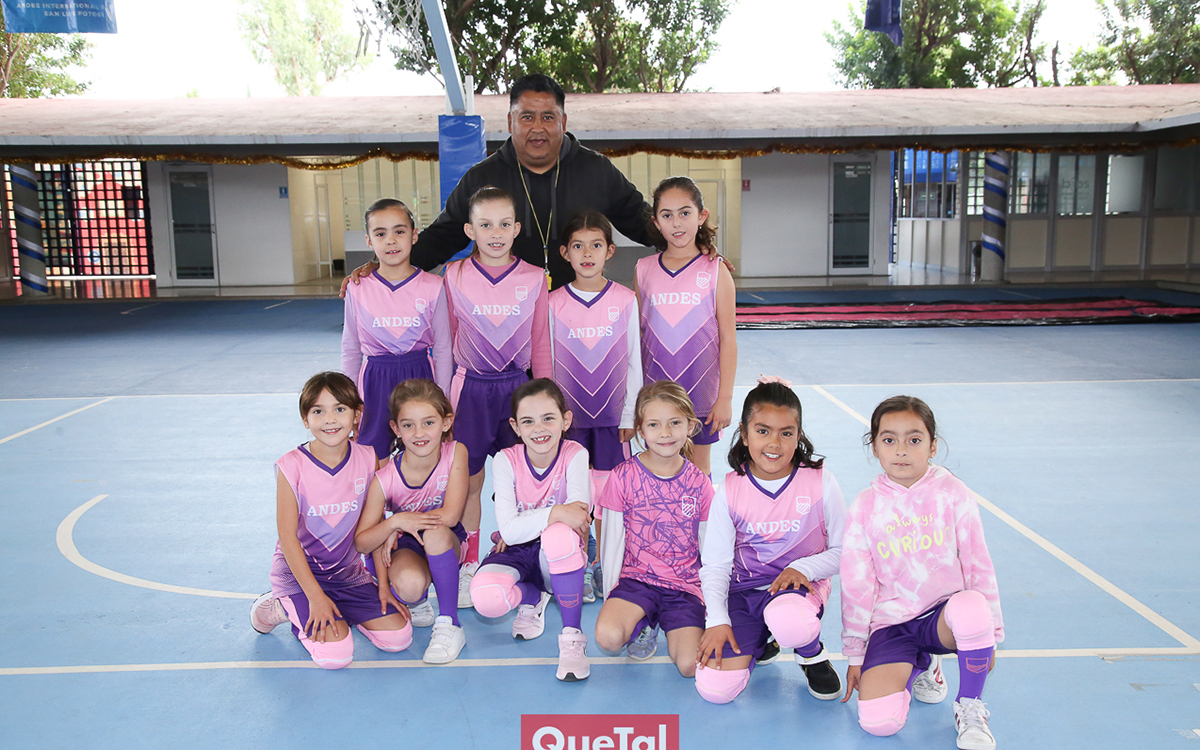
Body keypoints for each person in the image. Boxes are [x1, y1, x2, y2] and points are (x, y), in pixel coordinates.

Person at [342, 74, 655, 290]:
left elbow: (643, 221)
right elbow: (443, 236)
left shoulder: (597, 170)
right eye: (527, 117)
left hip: (578, 308)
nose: (538, 128)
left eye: (548, 117)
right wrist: (383, 267)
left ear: (563, 122)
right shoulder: (482, 177)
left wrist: (683, 243)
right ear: (510, 121)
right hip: (506, 312)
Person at [840, 396, 1004, 750]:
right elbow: (857, 586)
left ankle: (970, 706)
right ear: (874, 447)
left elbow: (978, 562)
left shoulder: (953, 493)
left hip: (943, 619)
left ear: (932, 446)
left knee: (972, 607)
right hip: (892, 625)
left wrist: (989, 633)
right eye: (889, 439)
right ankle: (922, 665)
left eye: (914, 439)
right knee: (879, 724)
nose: (901, 450)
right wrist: (855, 654)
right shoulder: (865, 507)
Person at [695, 377, 846, 704]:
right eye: (763, 431)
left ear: (798, 435)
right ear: (744, 433)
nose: (774, 443)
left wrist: (803, 568)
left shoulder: (821, 482)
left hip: (800, 590)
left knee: (788, 619)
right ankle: (763, 636)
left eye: (786, 433)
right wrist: (718, 620)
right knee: (714, 690)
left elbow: (846, 552)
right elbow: (716, 566)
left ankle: (811, 654)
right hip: (745, 593)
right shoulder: (730, 490)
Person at [249, 371, 411, 669]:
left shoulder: (368, 458)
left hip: (347, 576)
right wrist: (315, 597)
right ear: (305, 419)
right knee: (336, 656)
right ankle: (281, 606)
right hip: (300, 577)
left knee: (399, 637)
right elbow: (288, 538)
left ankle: (342, 612)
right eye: (318, 411)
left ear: (356, 415)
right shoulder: (291, 466)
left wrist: (383, 586)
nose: (330, 419)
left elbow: (374, 528)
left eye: (340, 409)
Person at [443, 185, 552, 608]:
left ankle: (529, 559)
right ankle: (470, 561)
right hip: (469, 390)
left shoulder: (533, 277)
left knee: (527, 482)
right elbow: (446, 341)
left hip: (516, 390)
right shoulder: (453, 276)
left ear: (517, 228)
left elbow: (540, 343)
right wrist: (445, 400)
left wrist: (546, 401)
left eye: (504, 224)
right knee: (470, 482)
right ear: (470, 230)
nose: (496, 233)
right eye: (485, 225)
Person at [468, 378, 592, 682]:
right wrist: (556, 511)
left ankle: (572, 638)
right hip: (517, 549)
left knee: (559, 536)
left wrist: (531, 522)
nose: (539, 429)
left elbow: (578, 516)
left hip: (556, 554)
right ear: (515, 426)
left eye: (548, 418)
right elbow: (509, 533)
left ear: (565, 420)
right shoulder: (505, 460)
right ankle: (532, 595)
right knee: (486, 599)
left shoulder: (575, 454)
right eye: (528, 421)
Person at [548, 209, 642, 601]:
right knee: (574, 495)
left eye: (596, 245)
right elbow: (547, 364)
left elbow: (635, 360)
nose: (587, 254)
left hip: (611, 421)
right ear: (565, 252)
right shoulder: (553, 303)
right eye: (578, 246)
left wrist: (630, 413)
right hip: (569, 423)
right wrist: (553, 420)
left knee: (609, 497)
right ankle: (579, 564)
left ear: (610, 250)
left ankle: (606, 562)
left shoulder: (625, 300)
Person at [594, 380, 714, 677]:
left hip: (684, 587)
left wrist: (713, 606)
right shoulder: (622, 477)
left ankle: (665, 619)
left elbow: (710, 546)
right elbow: (611, 541)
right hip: (636, 580)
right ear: (641, 430)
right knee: (608, 637)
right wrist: (612, 596)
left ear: (690, 425)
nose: (665, 433)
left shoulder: (700, 483)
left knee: (689, 666)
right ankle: (642, 621)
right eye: (654, 425)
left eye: (675, 423)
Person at [354, 379, 470, 664]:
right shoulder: (384, 478)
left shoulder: (456, 452)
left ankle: (450, 624)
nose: (419, 433)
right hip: (407, 546)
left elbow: (450, 515)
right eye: (408, 425)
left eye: (428, 423)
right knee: (409, 585)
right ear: (396, 428)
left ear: (446, 422)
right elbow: (362, 542)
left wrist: (404, 521)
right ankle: (418, 599)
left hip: (446, 540)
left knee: (435, 532)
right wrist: (394, 523)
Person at [635, 176, 736, 478]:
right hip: (656, 393)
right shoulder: (644, 269)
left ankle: (700, 514)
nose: (676, 223)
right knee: (659, 467)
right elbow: (637, 336)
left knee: (698, 470)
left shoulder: (716, 270)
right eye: (667, 215)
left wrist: (725, 398)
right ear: (656, 222)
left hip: (701, 394)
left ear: (701, 216)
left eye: (685, 213)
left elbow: (728, 339)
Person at [341, 199, 452, 463]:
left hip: (420, 377)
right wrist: (349, 402)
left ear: (414, 235)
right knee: (373, 460)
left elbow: (444, 348)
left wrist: (444, 399)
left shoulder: (433, 286)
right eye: (380, 234)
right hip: (374, 382)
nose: (391, 240)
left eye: (399, 231)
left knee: (421, 459)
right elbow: (351, 349)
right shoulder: (357, 289)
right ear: (369, 241)